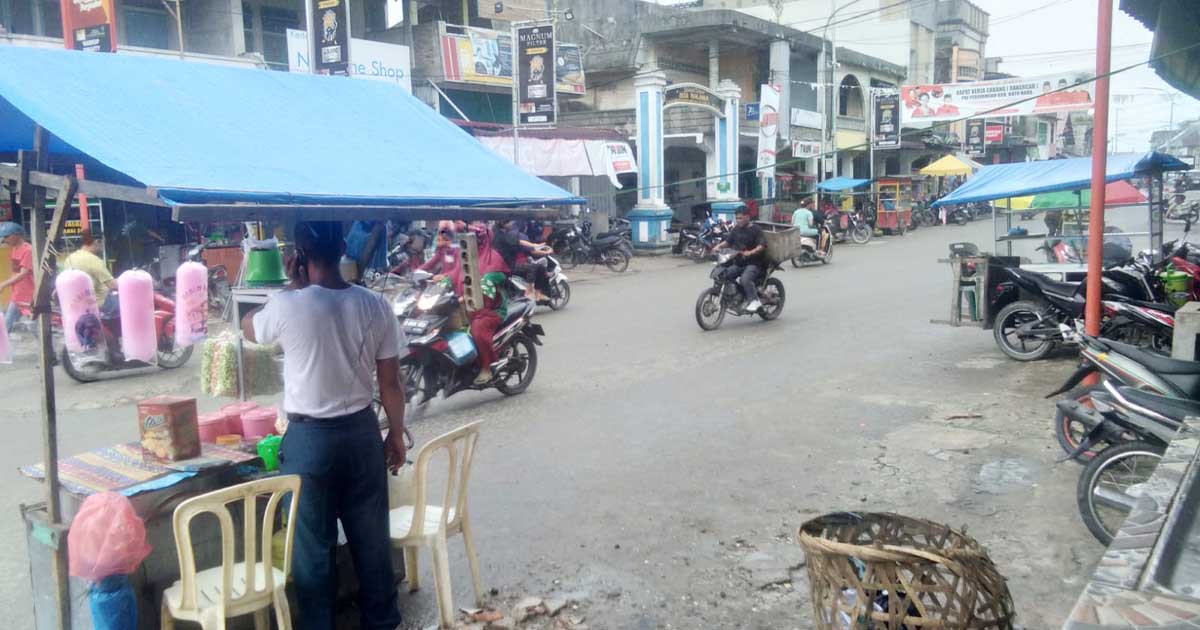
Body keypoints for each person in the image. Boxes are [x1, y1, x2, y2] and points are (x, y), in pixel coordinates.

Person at [240, 221, 405, 630]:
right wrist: (396, 433)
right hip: (363, 435)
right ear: (340, 250)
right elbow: (391, 383)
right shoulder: (374, 305)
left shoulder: (286, 304)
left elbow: (249, 327)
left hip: (310, 443)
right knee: (371, 540)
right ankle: (382, 622)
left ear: (298, 255)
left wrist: (292, 289)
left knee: (313, 549)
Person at [711, 207, 768, 312]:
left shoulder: (756, 229)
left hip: (754, 263)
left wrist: (751, 252)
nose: (738, 220)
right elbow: (728, 241)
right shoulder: (736, 229)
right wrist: (718, 247)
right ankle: (740, 295)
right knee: (724, 274)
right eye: (737, 218)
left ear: (747, 217)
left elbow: (762, 245)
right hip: (739, 262)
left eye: (740, 218)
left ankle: (754, 300)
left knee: (744, 279)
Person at [495, 219, 552, 301]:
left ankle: (538, 293)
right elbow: (525, 246)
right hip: (508, 266)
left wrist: (534, 245)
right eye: (510, 222)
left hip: (508, 263)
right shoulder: (503, 235)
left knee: (540, 267)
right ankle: (528, 292)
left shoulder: (504, 234)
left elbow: (519, 242)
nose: (512, 223)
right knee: (533, 267)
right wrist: (535, 246)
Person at [65, 236, 118, 315]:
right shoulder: (94, 260)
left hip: (78, 301)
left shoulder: (69, 258)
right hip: (99, 303)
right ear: (97, 241)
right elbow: (113, 285)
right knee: (126, 302)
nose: (103, 247)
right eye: (103, 243)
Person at [0, 223, 33, 334]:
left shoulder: (28, 250)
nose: (4, 240)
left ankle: (49, 349)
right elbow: (15, 272)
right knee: (6, 325)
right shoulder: (14, 249)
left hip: (29, 295)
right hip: (17, 295)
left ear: (17, 235)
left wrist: (4, 284)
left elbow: (24, 273)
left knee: (35, 326)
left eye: (6, 236)